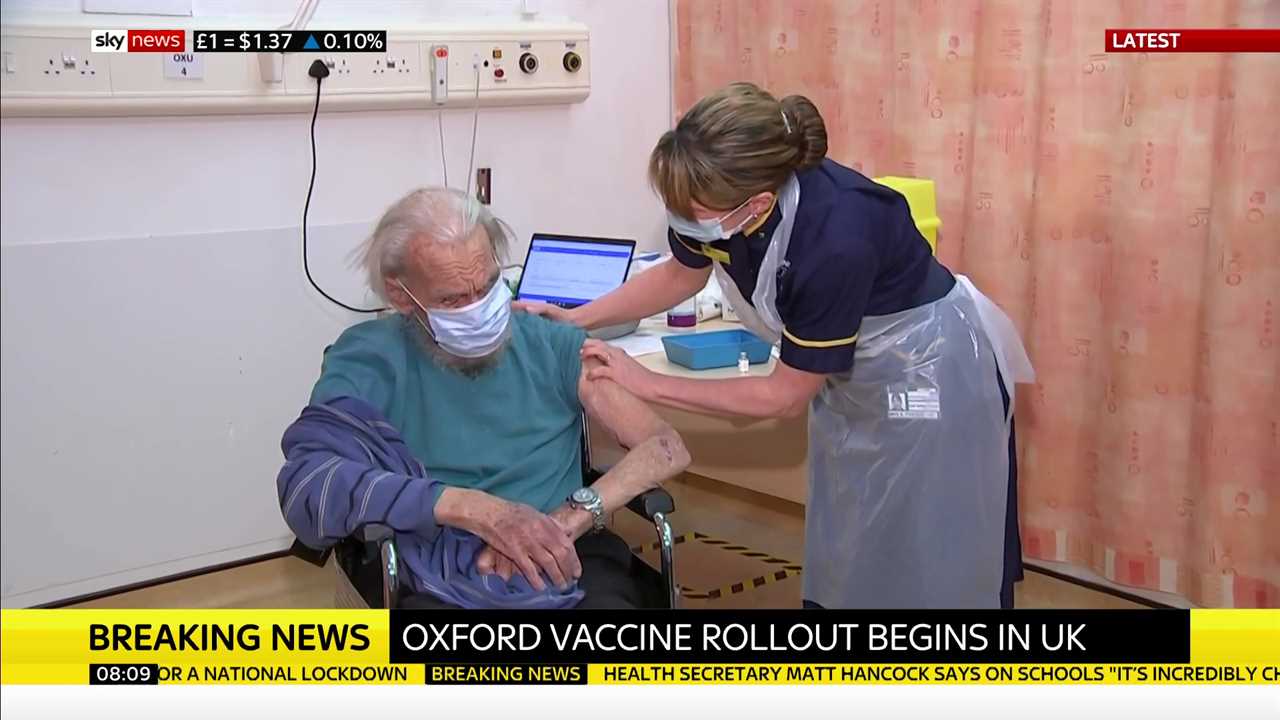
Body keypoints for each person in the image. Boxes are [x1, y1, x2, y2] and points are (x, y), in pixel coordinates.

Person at [517, 82, 1035, 609]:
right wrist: (577, 317)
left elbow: (782, 397)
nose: (684, 221)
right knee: (856, 539)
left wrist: (646, 381)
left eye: (694, 210)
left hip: (928, 373)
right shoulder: (723, 200)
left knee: (933, 554)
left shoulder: (835, 236)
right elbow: (682, 273)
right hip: (854, 376)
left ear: (757, 204)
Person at [277, 187, 690, 609]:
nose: (478, 308)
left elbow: (666, 446)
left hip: (563, 552)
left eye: (489, 286)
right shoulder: (370, 358)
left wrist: (569, 519)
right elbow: (309, 482)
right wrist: (478, 511)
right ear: (401, 295)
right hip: (435, 561)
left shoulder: (551, 343)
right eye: (453, 299)